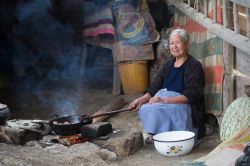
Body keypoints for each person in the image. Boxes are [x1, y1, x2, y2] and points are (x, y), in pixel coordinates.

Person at [129, 28, 206, 144]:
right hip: (164, 102)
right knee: (145, 108)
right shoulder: (167, 65)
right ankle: (158, 135)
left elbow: (191, 95)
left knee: (159, 109)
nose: (175, 46)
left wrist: (164, 100)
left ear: (186, 44)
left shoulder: (194, 66)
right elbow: (154, 86)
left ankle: (169, 137)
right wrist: (141, 100)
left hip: (183, 105)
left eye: (178, 43)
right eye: (172, 43)